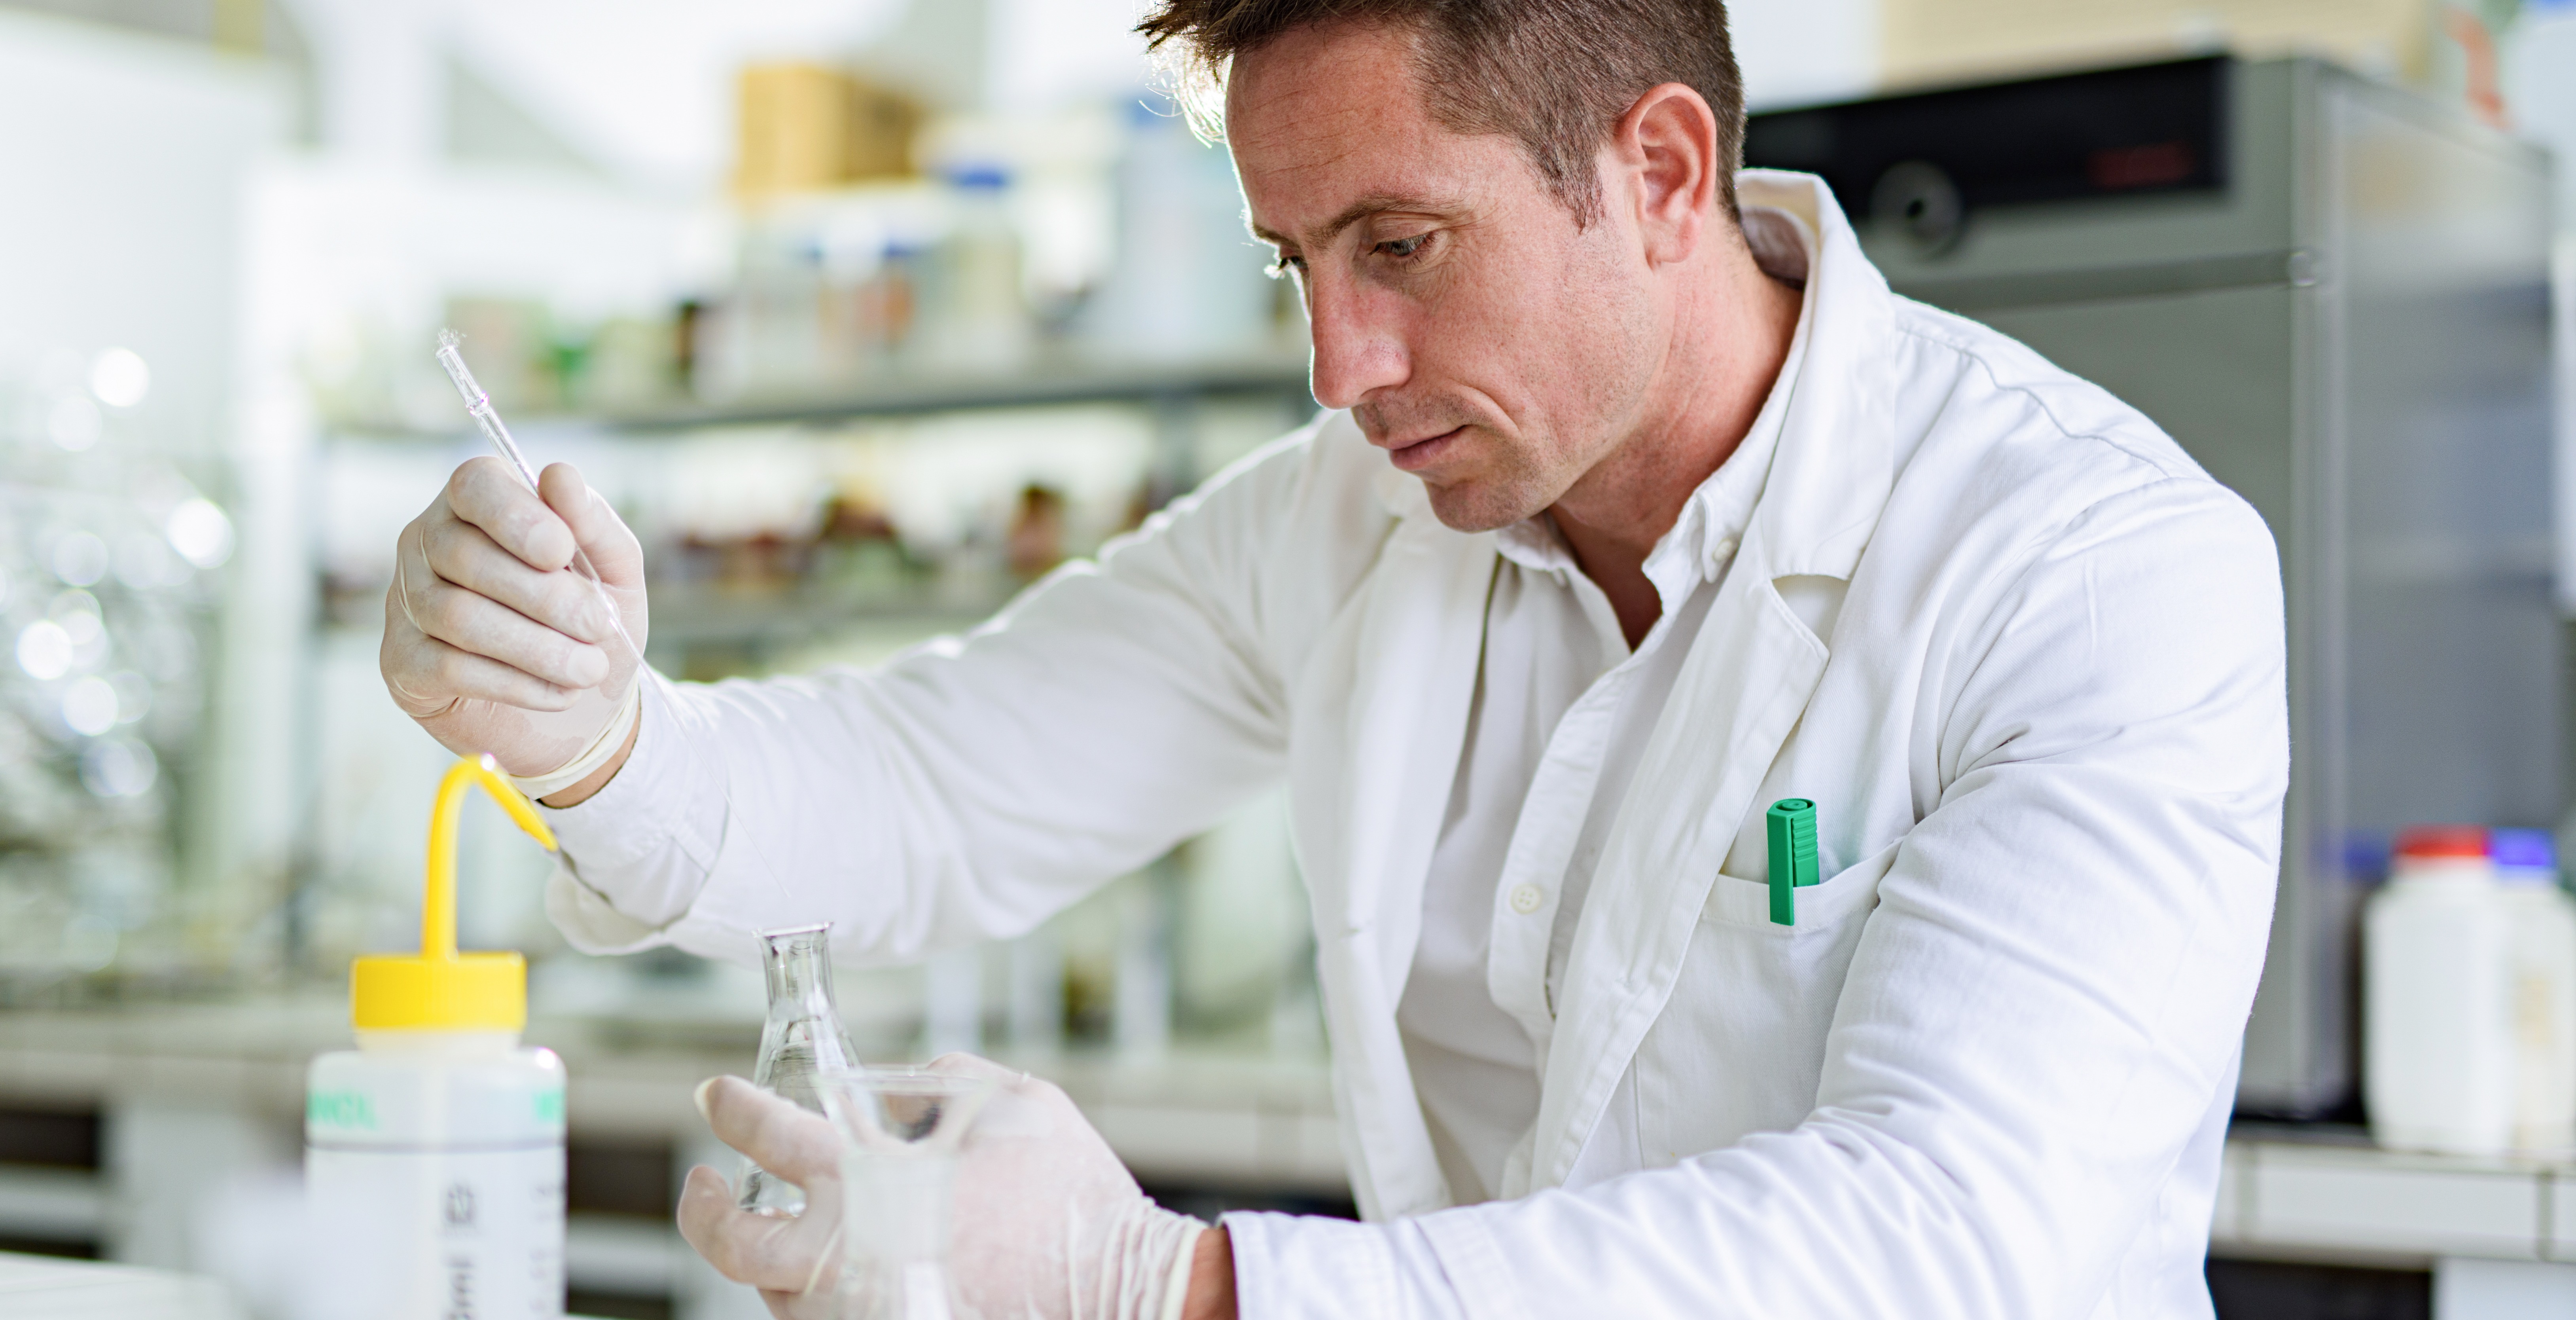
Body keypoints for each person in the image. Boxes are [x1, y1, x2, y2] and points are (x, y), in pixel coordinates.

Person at [379, 0, 2288, 1314]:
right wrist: (590, 730)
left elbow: (1948, 1249)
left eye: (1403, 245)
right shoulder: (1348, 518)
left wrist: (1173, 1288)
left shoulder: (2095, 571)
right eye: (1297, 263)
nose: (1339, 368)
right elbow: (930, 788)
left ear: (1660, 172)